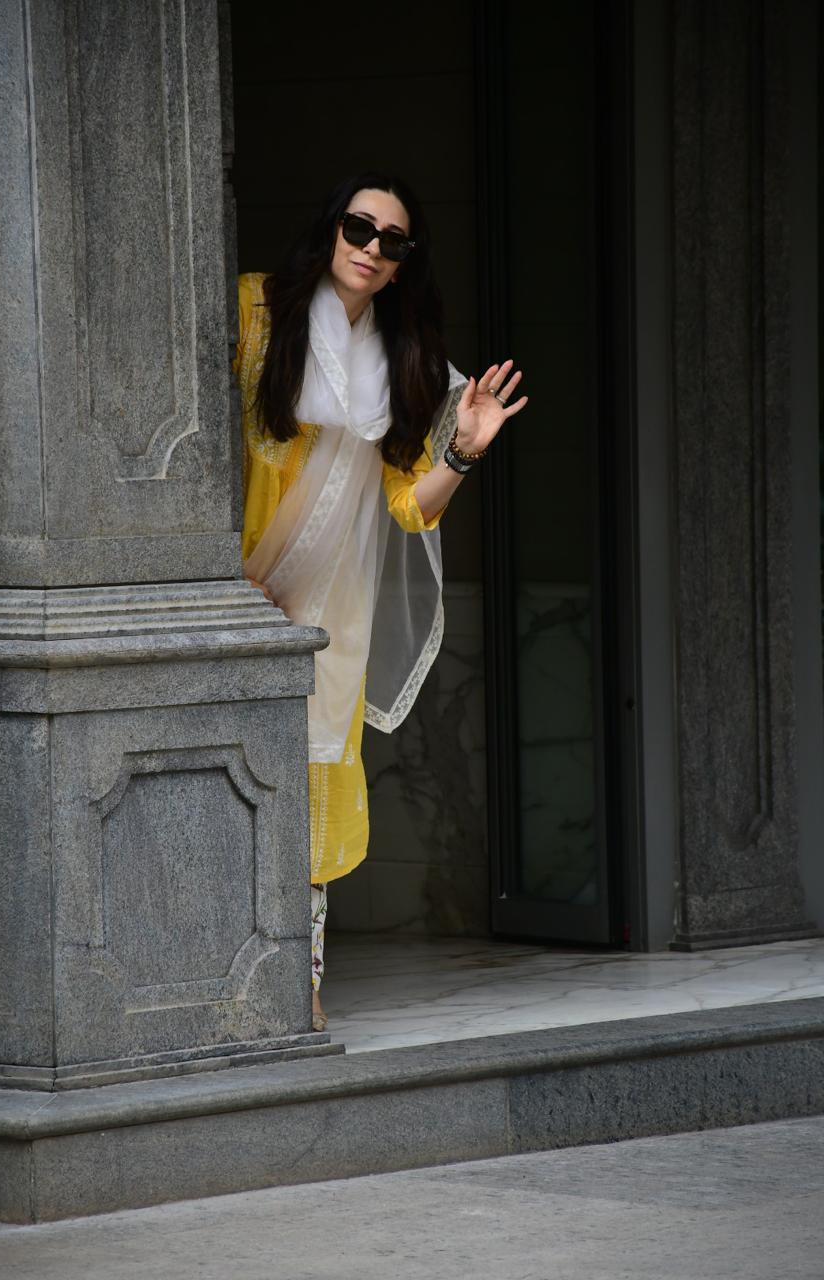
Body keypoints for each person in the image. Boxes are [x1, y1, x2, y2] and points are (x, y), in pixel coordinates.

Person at [234, 172, 528, 1032]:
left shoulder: (410, 368)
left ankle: (299, 982)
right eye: (358, 228)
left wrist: (463, 450)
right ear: (330, 231)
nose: (369, 246)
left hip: (332, 607)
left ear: (401, 265)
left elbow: (410, 505)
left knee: (313, 783)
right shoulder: (257, 311)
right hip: (236, 582)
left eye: (390, 240)